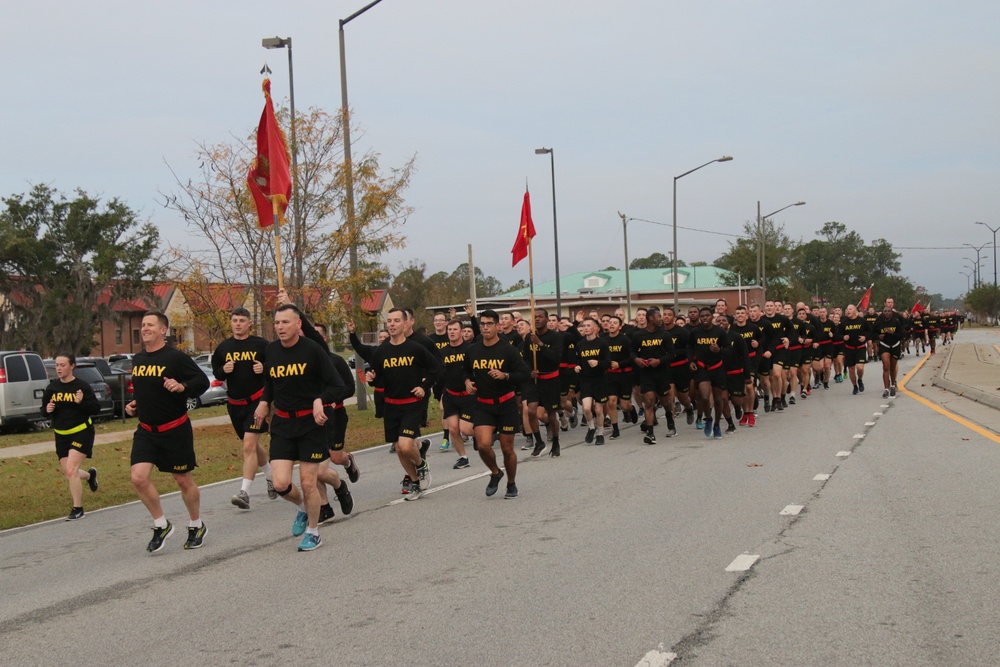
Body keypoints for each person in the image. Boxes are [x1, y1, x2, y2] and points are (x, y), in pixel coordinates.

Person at [253, 304, 345, 551]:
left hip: (311, 424)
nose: (280, 327)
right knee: (280, 483)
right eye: (277, 323)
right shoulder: (271, 351)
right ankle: (303, 508)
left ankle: (314, 532)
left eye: (285, 322)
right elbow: (271, 382)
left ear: (297, 325)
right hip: (283, 423)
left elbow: (337, 386)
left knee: (308, 482)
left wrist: (320, 399)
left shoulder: (313, 351)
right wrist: (263, 402)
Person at [127, 311, 210, 553]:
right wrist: (135, 404)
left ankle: (196, 524)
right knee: (138, 477)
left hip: (175, 429)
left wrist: (182, 386)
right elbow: (146, 391)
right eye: (143, 325)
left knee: (183, 480)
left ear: (163, 330)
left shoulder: (175, 358)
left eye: (150, 325)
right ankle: (161, 524)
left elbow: (202, 382)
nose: (145, 329)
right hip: (146, 431)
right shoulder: (138, 360)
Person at [366, 308, 442, 500]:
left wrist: (424, 386)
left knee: (406, 446)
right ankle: (416, 482)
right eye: (389, 321)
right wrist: (371, 378)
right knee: (399, 449)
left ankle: (421, 464)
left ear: (405, 324)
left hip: (411, 404)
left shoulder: (416, 348)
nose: (391, 324)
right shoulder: (381, 351)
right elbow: (377, 378)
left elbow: (435, 368)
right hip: (391, 405)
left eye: (396, 320)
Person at [463, 310, 531, 498]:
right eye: (482, 324)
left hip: (506, 404)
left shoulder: (508, 350)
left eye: (489, 324)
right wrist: (468, 382)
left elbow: (525, 374)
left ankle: (511, 483)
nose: (485, 327)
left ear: (497, 326)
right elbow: (465, 372)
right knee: (483, 445)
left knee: (507, 448)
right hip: (483, 404)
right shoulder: (473, 350)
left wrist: (505, 375)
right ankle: (495, 472)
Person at [212, 307, 274, 510]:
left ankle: (244, 493)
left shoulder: (261, 345)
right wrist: (224, 370)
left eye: (241, 320)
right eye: (234, 320)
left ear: (249, 324)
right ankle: (271, 477)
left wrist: (263, 368)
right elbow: (217, 374)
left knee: (248, 445)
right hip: (235, 405)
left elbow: (276, 368)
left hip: (257, 403)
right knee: (253, 446)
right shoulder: (223, 348)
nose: (237, 324)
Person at [43, 353, 101, 521]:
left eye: (62, 365)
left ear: (72, 366)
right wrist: (47, 410)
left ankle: (78, 509)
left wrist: (81, 403)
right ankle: (90, 476)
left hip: (82, 431)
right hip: (61, 435)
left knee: (71, 469)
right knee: (69, 472)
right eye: (57, 365)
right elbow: (44, 410)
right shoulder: (52, 388)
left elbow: (95, 408)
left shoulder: (81, 386)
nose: (59, 368)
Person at [633, 306, 677, 444]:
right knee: (649, 401)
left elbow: (672, 354)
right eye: (659, 316)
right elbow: (631, 352)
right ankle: (650, 433)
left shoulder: (665, 335)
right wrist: (637, 359)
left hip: (662, 373)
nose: (661, 318)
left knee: (665, 402)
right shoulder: (638, 335)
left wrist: (659, 361)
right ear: (651, 318)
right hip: (646, 374)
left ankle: (670, 420)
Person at [440, 317, 476, 469]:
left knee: (466, 429)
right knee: (453, 428)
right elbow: (441, 376)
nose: (452, 332)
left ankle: (485, 434)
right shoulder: (442, 352)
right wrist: (442, 395)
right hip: (450, 395)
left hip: (468, 396)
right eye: (450, 330)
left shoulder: (470, 349)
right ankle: (463, 457)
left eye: (455, 329)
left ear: (461, 332)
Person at [573, 317, 611, 445]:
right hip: (585, 380)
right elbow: (578, 361)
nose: (586, 328)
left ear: (596, 328)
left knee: (599, 410)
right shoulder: (580, 344)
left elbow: (608, 363)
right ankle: (591, 427)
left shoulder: (602, 343)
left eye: (589, 325)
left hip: (600, 379)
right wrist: (577, 367)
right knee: (587, 408)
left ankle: (600, 434)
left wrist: (598, 363)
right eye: (584, 326)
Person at [873, 304, 907, 397]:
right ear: (883, 313)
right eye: (885, 311)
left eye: (889, 311)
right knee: (886, 366)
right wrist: (878, 336)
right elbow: (872, 333)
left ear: (892, 313)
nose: (887, 313)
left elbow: (902, 336)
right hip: (884, 345)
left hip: (895, 346)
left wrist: (892, 333)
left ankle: (892, 385)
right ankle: (886, 389)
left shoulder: (896, 322)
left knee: (892, 367)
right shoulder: (879, 323)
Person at [840, 304, 869, 394]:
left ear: (855, 311)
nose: (848, 311)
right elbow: (838, 334)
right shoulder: (844, 322)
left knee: (860, 367)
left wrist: (865, 337)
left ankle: (860, 380)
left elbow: (870, 331)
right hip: (849, 348)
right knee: (851, 369)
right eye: (847, 309)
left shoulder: (862, 321)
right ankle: (855, 386)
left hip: (860, 347)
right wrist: (843, 337)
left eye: (850, 309)